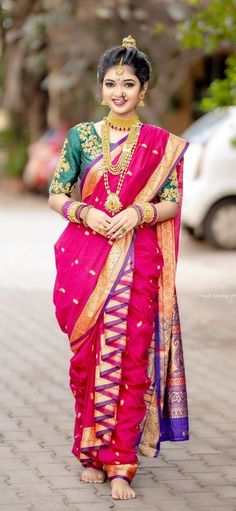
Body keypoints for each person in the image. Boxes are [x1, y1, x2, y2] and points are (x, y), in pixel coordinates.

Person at [48, 35, 189, 500]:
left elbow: (169, 202)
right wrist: (85, 213)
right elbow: (56, 192)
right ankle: (90, 451)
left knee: (131, 356)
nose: (119, 92)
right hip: (85, 258)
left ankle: (121, 461)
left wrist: (137, 213)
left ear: (143, 89)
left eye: (128, 83)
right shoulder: (80, 138)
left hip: (137, 260)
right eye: (111, 83)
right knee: (87, 359)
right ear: (100, 88)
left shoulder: (159, 145)